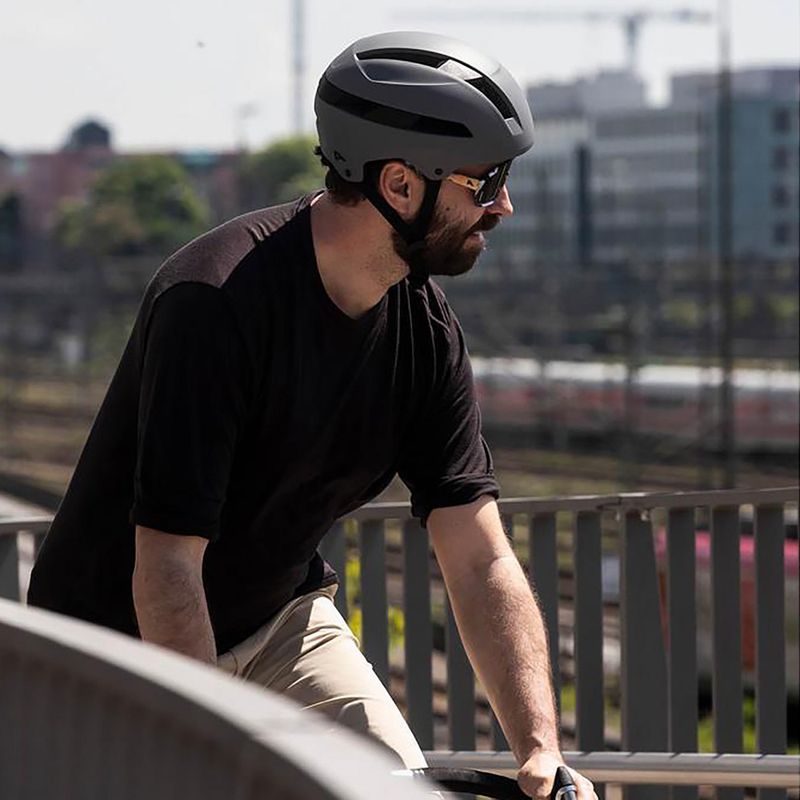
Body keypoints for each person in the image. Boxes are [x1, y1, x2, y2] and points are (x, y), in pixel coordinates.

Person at [29, 31, 595, 800]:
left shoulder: (423, 332)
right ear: (400, 185)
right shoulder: (216, 303)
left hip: (281, 623)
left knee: (396, 791)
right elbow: (166, 566)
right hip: (117, 649)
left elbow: (479, 555)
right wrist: (210, 754)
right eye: (485, 180)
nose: (502, 205)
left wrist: (539, 753)